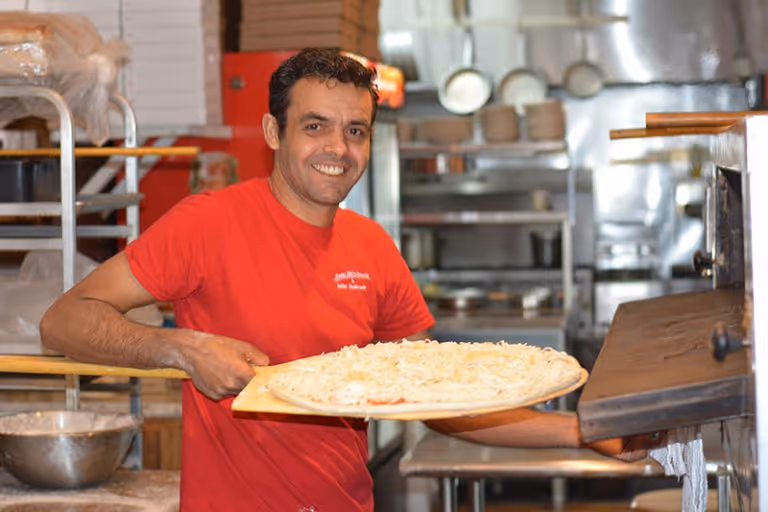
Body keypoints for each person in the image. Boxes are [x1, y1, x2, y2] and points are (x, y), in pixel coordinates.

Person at [41, 48, 644, 511]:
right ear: (274, 133)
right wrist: (180, 347)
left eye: (355, 130)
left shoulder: (371, 246)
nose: (338, 147)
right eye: (315, 126)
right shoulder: (209, 223)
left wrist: (581, 430)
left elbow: (441, 402)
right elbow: (63, 321)